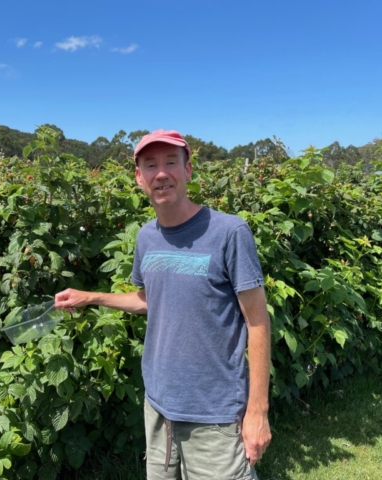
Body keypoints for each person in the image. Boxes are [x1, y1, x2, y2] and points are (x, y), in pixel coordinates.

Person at [55, 129, 271, 479]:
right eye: (150, 165)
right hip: (158, 405)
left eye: (171, 162)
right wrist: (90, 297)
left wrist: (257, 411)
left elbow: (258, 323)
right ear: (138, 177)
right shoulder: (146, 236)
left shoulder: (230, 232)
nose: (161, 173)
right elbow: (147, 299)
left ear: (188, 171)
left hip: (213, 410)